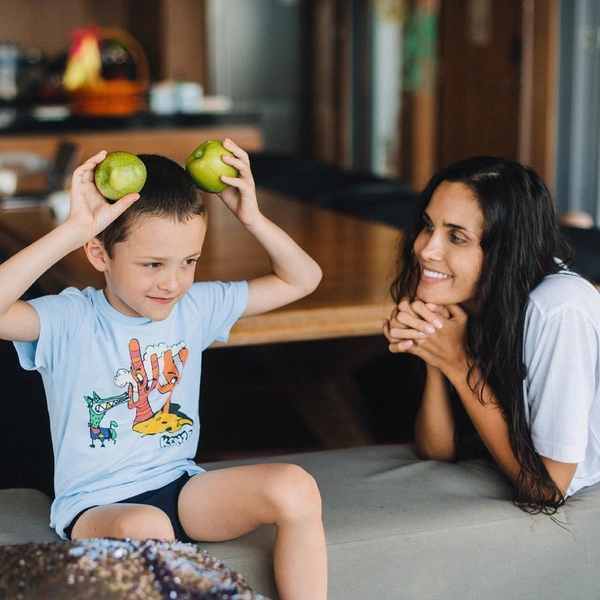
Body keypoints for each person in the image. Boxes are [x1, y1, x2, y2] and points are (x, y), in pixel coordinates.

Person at [0, 140, 327, 600]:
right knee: (147, 524)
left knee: (295, 486)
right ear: (99, 254)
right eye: (152, 264)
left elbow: (302, 279)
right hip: (97, 505)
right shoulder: (70, 320)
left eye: (188, 262)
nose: (172, 283)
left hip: (180, 486)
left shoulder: (194, 307)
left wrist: (250, 216)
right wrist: (73, 229)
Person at [383, 156, 600, 514]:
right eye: (427, 226)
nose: (425, 249)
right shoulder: (473, 298)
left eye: (456, 237)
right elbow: (437, 450)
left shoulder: (558, 308)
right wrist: (436, 350)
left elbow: (546, 489)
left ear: (505, 248)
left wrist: (457, 361)